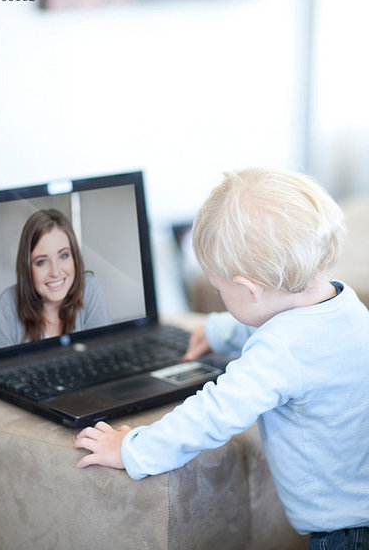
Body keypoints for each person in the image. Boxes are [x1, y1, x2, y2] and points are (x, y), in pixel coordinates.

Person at [75, 168, 369, 549]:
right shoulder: (344, 304)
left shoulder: (279, 351)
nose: (218, 296)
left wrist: (133, 449)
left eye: (219, 289)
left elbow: (214, 413)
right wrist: (217, 331)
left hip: (345, 536)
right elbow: (290, 325)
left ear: (248, 288)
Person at [0, 208, 110, 349]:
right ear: (27, 267)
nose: (55, 272)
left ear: (74, 257)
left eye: (63, 255)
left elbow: (102, 353)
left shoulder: (89, 288)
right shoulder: (8, 304)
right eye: (42, 262)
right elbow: (2, 369)